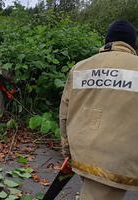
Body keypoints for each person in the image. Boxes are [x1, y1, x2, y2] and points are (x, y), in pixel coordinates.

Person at [59, 20, 138, 200]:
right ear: (132, 44)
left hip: (82, 150)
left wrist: (67, 151)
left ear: (107, 40)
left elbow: (64, 113)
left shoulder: (80, 67)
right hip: (116, 160)